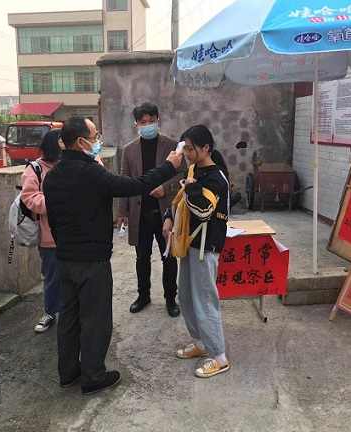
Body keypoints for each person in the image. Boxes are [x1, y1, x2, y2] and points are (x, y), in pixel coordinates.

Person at [44, 117, 183, 395]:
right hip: (92, 261)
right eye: (94, 137)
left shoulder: (53, 176)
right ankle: (93, 376)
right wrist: (170, 166)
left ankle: (68, 372)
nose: (98, 141)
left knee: (69, 317)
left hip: (65, 259)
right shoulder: (91, 173)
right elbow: (136, 185)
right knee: (95, 319)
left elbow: (54, 222)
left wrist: (65, 248)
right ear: (81, 142)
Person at [163, 124, 231, 378]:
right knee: (186, 296)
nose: (187, 154)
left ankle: (219, 356)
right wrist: (168, 216)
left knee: (204, 299)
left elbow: (203, 210)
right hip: (190, 242)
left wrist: (191, 187)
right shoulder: (194, 169)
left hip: (206, 245)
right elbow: (181, 200)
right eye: (186, 149)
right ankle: (201, 343)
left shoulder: (216, 177)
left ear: (206, 148)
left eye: (191, 149)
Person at [118, 102, 186, 317]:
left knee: (169, 257)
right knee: (142, 257)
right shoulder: (129, 150)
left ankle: (170, 298)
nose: (147, 125)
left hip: (165, 213)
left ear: (158, 120)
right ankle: (143, 295)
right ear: (136, 124)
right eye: (142, 122)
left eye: (151, 121)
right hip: (139, 213)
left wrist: (165, 188)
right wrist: (122, 213)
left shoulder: (172, 146)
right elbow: (124, 181)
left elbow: (183, 174)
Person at [21, 129, 63, 333]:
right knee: (52, 276)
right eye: (62, 141)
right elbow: (29, 197)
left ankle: (73, 312)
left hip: (75, 235)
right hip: (49, 236)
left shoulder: (73, 163)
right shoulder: (36, 169)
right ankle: (50, 312)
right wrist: (58, 203)